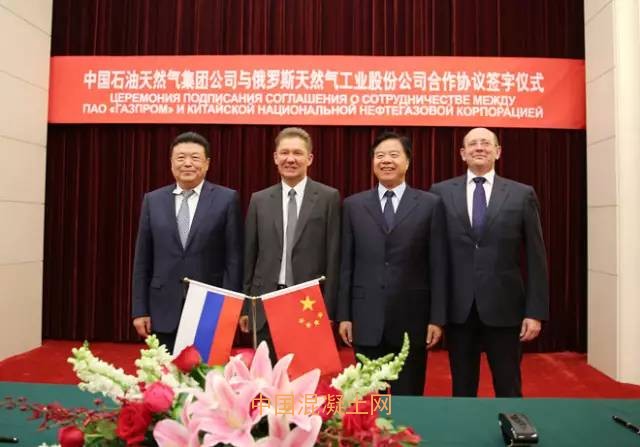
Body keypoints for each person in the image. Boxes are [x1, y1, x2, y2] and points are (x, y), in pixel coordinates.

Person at [430, 127, 549, 397]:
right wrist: (435, 312)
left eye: (486, 143)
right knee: (462, 387)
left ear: (498, 151)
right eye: (472, 144)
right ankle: (464, 425)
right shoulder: (440, 192)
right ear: (463, 154)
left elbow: (536, 256)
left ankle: (512, 423)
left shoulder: (521, 194)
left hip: (505, 306)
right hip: (458, 308)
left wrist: (535, 312)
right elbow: (434, 255)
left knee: (508, 384)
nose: (479, 147)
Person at [337, 131, 448, 396]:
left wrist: (437, 318)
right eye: (380, 156)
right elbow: (346, 265)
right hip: (365, 318)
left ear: (407, 162)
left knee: (408, 399)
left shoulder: (430, 205)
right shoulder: (353, 205)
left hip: (412, 318)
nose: (386, 161)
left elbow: (438, 265)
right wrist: (344, 315)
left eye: (393, 155)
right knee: (368, 401)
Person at [131, 131, 243, 352]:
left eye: (195, 158)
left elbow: (234, 258)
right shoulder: (153, 200)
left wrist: (230, 308)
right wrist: (139, 309)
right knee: (164, 371)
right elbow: (142, 259)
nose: (188, 163)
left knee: (206, 371)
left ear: (207, 163)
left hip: (209, 306)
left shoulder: (226, 199)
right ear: (171, 162)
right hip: (162, 306)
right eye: (181, 158)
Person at [240, 127, 341, 360]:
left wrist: (330, 308)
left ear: (309, 158)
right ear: (275, 158)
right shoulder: (259, 200)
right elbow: (249, 257)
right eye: (284, 153)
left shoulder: (328, 198)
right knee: (266, 375)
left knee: (306, 375)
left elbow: (334, 256)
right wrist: (246, 306)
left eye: (297, 153)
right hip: (265, 304)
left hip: (309, 304)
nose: (290, 159)